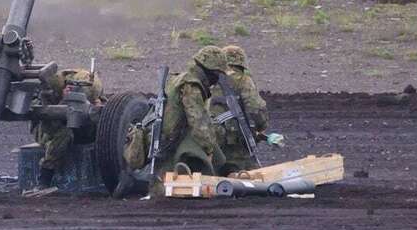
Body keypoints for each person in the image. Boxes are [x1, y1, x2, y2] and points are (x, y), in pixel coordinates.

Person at [120, 46, 229, 197]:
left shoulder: (179, 79)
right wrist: (209, 149)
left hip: (163, 137)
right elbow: (198, 122)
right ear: (209, 70)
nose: (217, 79)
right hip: (168, 141)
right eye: (217, 74)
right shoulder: (191, 85)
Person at [25, 69, 104, 196]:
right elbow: (46, 123)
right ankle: (44, 180)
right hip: (48, 129)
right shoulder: (50, 88)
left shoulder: (91, 88)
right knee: (63, 135)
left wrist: (97, 108)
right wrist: (62, 101)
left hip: (79, 128)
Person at [212, 45, 268, 174]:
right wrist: (260, 127)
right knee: (252, 176)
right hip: (235, 142)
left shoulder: (210, 79)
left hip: (210, 139)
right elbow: (256, 109)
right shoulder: (243, 80)